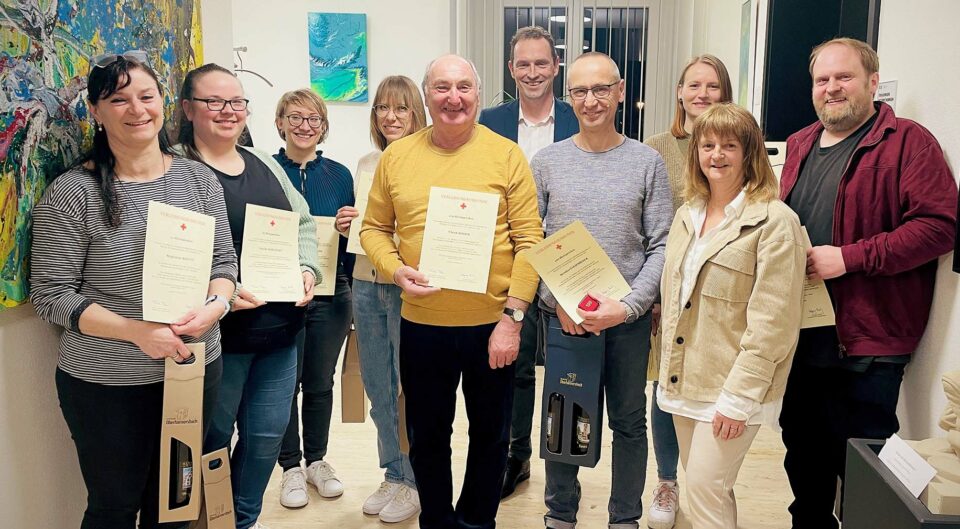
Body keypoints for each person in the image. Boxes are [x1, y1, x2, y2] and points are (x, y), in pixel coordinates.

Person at [30, 52, 237, 529]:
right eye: (119, 100)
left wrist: (217, 305)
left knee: (175, 507)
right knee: (114, 510)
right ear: (96, 111)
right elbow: (52, 295)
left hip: (192, 370)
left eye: (147, 96)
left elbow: (224, 262)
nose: (137, 109)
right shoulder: (73, 192)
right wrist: (138, 332)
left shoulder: (197, 179)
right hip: (107, 383)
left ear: (163, 102)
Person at [778, 38, 958, 529]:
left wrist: (850, 258)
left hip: (868, 344)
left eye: (844, 77)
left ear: (873, 82)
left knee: (864, 474)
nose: (832, 88)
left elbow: (939, 227)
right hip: (802, 337)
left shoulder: (909, 143)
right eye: (822, 80)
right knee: (803, 458)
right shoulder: (799, 144)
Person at [360, 54, 543, 529]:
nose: (453, 98)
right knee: (426, 437)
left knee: (491, 437)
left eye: (464, 87)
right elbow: (373, 229)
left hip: (492, 326)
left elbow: (530, 241)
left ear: (478, 94)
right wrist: (395, 270)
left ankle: (477, 523)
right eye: (442, 87)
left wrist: (513, 319)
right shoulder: (397, 157)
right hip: (423, 324)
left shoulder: (506, 155)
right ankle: (437, 522)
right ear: (427, 95)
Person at [175, 63, 320, 529]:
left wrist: (307, 267)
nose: (228, 111)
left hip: (280, 333)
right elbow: (167, 250)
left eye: (236, 102)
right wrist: (220, 292)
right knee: (211, 439)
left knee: (264, 440)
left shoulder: (263, 163)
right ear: (188, 109)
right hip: (218, 339)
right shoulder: (176, 169)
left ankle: (242, 521)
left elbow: (302, 224)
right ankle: (207, 522)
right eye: (214, 101)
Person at [532, 52, 671, 529]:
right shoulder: (547, 162)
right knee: (564, 415)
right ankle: (560, 513)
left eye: (601, 89)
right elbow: (531, 240)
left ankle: (624, 517)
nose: (590, 100)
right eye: (580, 91)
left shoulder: (647, 162)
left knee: (629, 422)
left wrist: (629, 306)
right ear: (568, 96)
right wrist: (558, 302)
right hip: (564, 320)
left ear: (620, 91)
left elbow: (662, 245)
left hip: (626, 323)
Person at [657, 102, 805, 529]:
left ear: (749, 153)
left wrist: (739, 399)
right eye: (707, 145)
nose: (716, 155)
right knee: (708, 491)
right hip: (685, 379)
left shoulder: (775, 222)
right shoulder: (687, 215)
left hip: (730, 388)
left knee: (706, 492)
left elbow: (773, 324)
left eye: (729, 146)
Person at [477, 25, 579, 501]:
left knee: (566, 371)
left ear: (555, 67)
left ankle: (564, 470)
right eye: (524, 64)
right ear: (511, 69)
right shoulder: (488, 122)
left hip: (566, 263)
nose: (533, 72)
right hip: (509, 263)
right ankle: (514, 457)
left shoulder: (580, 117)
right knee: (511, 367)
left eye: (542, 63)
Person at [642, 53, 733, 529]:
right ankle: (667, 480)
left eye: (712, 86)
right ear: (679, 93)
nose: (702, 94)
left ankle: (711, 479)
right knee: (666, 384)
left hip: (723, 296)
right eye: (693, 85)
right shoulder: (657, 148)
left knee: (716, 384)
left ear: (725, 92)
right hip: (670, 292)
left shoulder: (741, 143)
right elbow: (651, 228)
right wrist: (653, 295)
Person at [332, 75, 427, 523]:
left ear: (416, 113)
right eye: (383, 108)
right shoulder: (367, 162)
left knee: (411, 387)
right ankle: (393, 472)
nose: (391, 117)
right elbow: (365, 227)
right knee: (378, 385)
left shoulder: (428, 161)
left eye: (401, 108)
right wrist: (346, 223)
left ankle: (416, 479)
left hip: (406, 285)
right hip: (366, 283)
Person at [271, 89, 355, 508]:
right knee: (285, 382)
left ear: (323, 126)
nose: (305, 126)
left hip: (332, 292)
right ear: (280, 123)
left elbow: (357, 240)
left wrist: (348, 230)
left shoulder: (340, 175)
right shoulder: (266, 170)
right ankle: (289, 467)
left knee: (320, 381)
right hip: (280, 294)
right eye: (295, 117)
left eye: (314, 119)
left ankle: (317, 461)